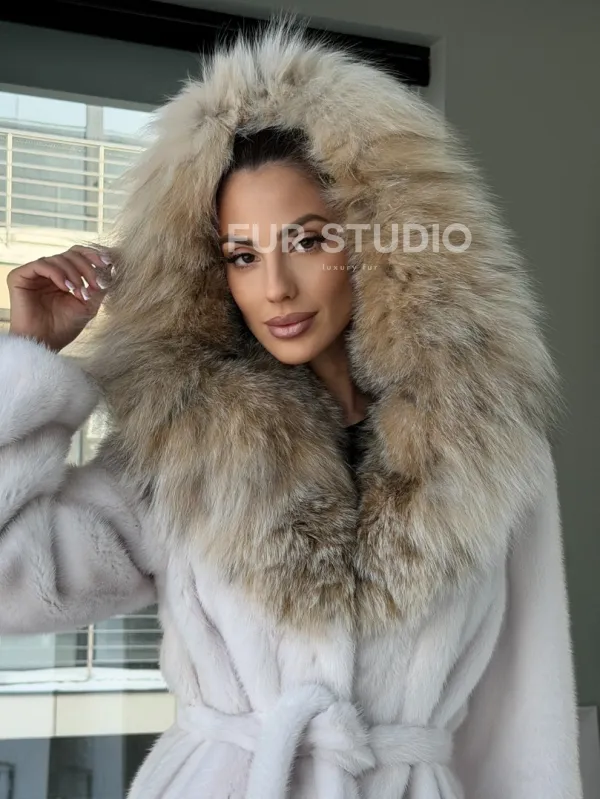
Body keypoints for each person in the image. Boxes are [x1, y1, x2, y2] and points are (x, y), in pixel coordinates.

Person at [0, 16, 582, 799]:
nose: (274, 287)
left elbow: (525, 710)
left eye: (307, 241)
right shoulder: (184, 442)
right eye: (243, 255)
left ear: (377, 242)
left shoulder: (488, 444)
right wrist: (29, 355)